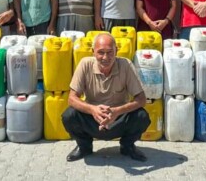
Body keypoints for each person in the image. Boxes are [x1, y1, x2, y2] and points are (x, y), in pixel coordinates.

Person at [62, 33, 149, 162]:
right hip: (92, 119)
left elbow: (141, 99)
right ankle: (84, 146)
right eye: (101, 52)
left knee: (142, 117)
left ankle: (127, 146)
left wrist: (117, 111)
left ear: (116, 51)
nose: (105, 57)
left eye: (110, 52)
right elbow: (71, 98)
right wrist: (93, 110)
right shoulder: (85, 64)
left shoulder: (126, 65)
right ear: (93, 52)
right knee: (69, 115)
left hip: (118, 118)